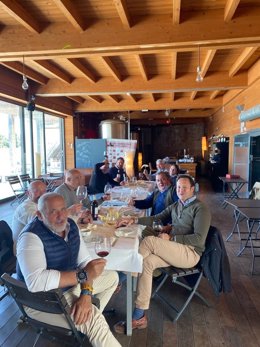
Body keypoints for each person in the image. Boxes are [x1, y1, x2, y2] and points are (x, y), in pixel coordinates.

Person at [16, 192, 121, 347]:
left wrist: (86, 294)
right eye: (53, 212)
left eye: (63, 209)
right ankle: (89, 322)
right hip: (42, 301)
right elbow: (35, 282)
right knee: (95, 321)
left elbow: (85, 262)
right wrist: (83, 276)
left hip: (68, 290)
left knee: (112, 277)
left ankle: (84, 318)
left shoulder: (71, 226)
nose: (61, 216)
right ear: (39, 214)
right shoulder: (30, 237)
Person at [114, 174, 211, 334]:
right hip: (174, 249)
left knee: (150, 241)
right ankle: (139, 317)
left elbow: (199, 239)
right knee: (147, 262)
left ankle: (120, 276)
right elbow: (156, 218)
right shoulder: (177, 204)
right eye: (178, 187)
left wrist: (172, 236)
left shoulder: (201, 208)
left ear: (192, 189)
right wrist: (134, 220)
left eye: (184, 187)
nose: (180, 190)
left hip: (190, 253)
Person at [12, 180, 47, 253]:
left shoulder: (39, 204)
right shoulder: (25, 208)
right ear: (28, 193)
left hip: (35, 241)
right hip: (23, 250)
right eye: (37, 191)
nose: (42, 194)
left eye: (44, 191)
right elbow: (41, 223)